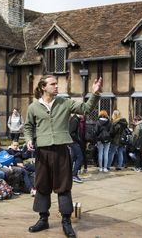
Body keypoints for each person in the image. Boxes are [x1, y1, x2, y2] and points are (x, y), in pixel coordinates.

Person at [24, 74, 102, 237]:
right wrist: (29, 139)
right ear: (43, 87)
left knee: (64, 186)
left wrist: (94, 93)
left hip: (61, 151)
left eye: (57, 84)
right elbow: (28, 126)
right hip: (43, 152)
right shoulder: (33, 107)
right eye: (53, 84)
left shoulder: (64, 103)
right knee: (42, 185)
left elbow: (85, 109)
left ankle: (66, 222)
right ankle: (43, 220)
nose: (57, 86)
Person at [69, 114, 85, 183]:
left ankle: (69, 174)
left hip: (74, 142)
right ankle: (74, 175)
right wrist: (78, 140)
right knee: (80, 157)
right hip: (74, 142)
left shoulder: (76, 119)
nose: (84, 116)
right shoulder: (75, 120)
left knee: (72, 158)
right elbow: (72, 133)